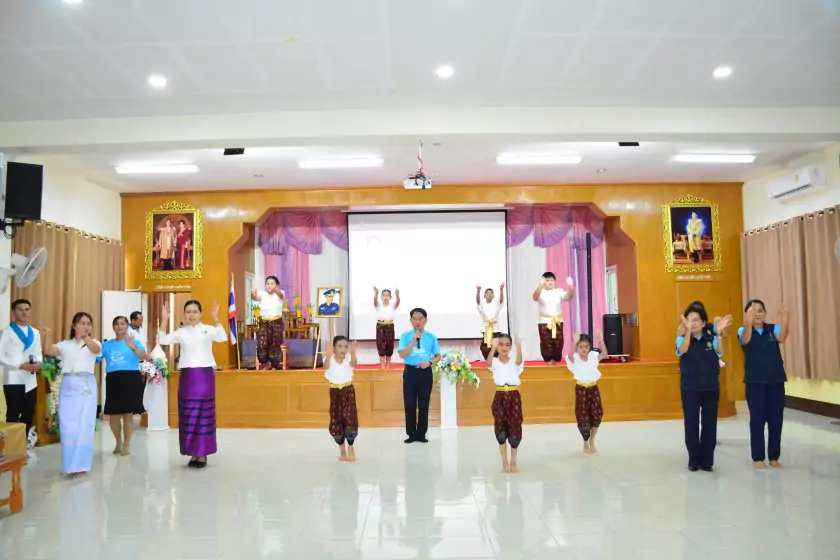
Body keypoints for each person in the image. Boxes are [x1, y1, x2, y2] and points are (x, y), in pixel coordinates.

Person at [158, 300, 227, 469]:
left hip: (204, 375)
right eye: (188, 312)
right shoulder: (181, 332)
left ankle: (202, 453)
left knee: (203, 412)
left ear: (201, 314)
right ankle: (193, 452)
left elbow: (222, 337)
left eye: (195, 311)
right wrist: (165, 319)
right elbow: (163, 340)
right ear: (184, 315)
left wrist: (216, 318)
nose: (191, 315)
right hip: (188, 376)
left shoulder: (208, 329)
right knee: (188, 412)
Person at [43, 312, 102, 478]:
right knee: (68, 426)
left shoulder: (94, 343)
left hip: (86, 385)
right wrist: (47, 335)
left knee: (84, 426)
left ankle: (81, 465)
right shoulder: (65, 345)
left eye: (88, 323)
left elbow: (96, 350)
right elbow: (48, 350)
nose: (85, 326)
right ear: (74, 325)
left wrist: (85, 337)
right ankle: (69, 465)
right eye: (82, 323)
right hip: (68, 385)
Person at [677, 303, 730, 472]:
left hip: (710, 387)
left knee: (709, 424)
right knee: (691, 423)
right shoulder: (681, 338)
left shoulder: (711, 338)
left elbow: (720, 352)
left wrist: (719, 334)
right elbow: (683, 350)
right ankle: (693, 459)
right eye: (689, 319)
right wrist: (687, 332)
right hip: (690, 388)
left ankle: (707, 460)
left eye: (696, 320)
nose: (693, 323)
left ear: (704, 322)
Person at [739, 299, 789, 470]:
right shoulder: (743, 330)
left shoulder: (772, 329)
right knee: (757, 420)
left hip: (775, 380)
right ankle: (758, 457)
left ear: (765, 313)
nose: (757, 314)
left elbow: (782, 337)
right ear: (747, 314)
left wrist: (785, 320)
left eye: (760, 310)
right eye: (753, 311)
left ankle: (774, 457)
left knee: (776, 420)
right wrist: (748, 323)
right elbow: (745, 340)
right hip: (755, 382)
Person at [0, 299, 43, 458]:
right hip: (13, 378)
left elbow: (38, 353)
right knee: (13, 414)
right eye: (20, 309)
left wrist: (38, 363)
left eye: (27, 309)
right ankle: (10, 450)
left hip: (30, 380)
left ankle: (22, 446)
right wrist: (19, 365)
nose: (24, 312)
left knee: (28, 414)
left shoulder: (35, 332)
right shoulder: (6, 332)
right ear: (13, 312)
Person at [101, 316, 147, 456]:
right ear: (113, 327)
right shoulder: (107, 345)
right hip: (113, 379)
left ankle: (127, 443)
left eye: (122, 324)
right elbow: (95, 358)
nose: (119, 326)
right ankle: (118, 442)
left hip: (130, 378)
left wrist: (133, 347)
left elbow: (143, 356)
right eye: (116, 324)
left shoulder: (134, 341)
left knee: (127, 414)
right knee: (114, 414)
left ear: (127, 326)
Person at [397, 308, 441, 443]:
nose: (417, 322)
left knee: (424, 404)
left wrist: (430, 362)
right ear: (411, 321)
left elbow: (438, 356)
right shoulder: (405, 336)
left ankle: (421, 434)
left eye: (420, 319)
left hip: (425, 373)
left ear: (425, 320)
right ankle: (411, 434)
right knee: (409, 404)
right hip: (410, 372)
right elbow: (402, 354)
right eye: (415, 319)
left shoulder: (431, 337)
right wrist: (413, 341)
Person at [486, 333, 524, 473]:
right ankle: (504, 462)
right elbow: (488, 363)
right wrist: (492, 347)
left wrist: (519, 345)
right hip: (500, 396)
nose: (504, 347)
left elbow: (519, 361)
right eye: (501, 344)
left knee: (515, 426)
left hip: (514, 396)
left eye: (507, 345)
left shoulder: (514, 361)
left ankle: (514, 460)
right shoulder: (495, 362)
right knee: (500, 427)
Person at [566, 332, 607, 454]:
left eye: (586, 347)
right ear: (578, 348)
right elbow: (570, 355)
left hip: (593, 388)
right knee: (583, 416)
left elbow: (604, 354)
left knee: (596, 414)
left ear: (589, 347)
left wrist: (601, 341)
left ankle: (592, 440)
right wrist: (574, 342)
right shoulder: (575, 358)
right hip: (581, 389)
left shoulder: (594, 356)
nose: (583, 349)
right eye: (581, 347)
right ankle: (585, 441)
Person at [324, 336, 359, 462]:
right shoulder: (329, 359)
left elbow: (354, 363)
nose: (343, 349)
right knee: (336, 419)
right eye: (339, 346)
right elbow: (325, 366)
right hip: (334, 392)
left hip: (348, 390)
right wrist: (328, 355)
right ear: (334, 348)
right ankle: (342, 449)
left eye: (345, 346)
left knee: (350, 417)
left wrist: (353, 352)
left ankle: (351, 447)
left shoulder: (348, 358)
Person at [532, 272, 574, 365]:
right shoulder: (541, 292)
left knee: (558, 343)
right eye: (547, 280)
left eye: (552, 280)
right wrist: (539, 286)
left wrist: (571, 287)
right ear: (543, 282)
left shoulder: (558, 292)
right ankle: (549, 362)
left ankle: (555, 361)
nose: (550, 282)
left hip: (557, 321)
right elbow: (535, 297)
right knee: (546, 343)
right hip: (544, 322)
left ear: (554, 281)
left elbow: (568, 297)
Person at [251, 276, 286, 369]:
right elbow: (255, 297)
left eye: (272, 283)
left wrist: (276, 289)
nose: (269, 286)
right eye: (267, 284)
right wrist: (253, 293)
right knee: (262, 343)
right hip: (264, 322)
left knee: (275, 343)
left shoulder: (280, 293)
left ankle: (275, 365)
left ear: (276, 285)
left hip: (276, 322)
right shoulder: (262, 294)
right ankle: (265, 363)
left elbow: (281, 296)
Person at [373, 286, 400, 369]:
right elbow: (375, 301)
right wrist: (376, 293)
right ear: (381, 297)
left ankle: (388, 364)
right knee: (380, 344)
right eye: (384, 295)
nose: (385, 297)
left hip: (389, 326)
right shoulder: (378, 306)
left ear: (390, 297)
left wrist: (397, 294)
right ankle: (382, 364)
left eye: (387, 295)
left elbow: (398, 302)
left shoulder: (392, 306)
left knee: (389, 344)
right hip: (380, 326)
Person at [477, 283, 505, 360]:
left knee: (496, 345)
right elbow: (478, 301)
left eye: (491, 293)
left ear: (493, 295)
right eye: (487, 293)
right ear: (484, 295)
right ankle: (488, 359)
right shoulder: (482, 304)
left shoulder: (496, 303)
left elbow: (501, 300)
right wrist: (478, 290)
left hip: (495, 329)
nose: (489, 294)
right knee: (485, 347)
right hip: (486, 328)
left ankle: (495, 359)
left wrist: (501, 290)